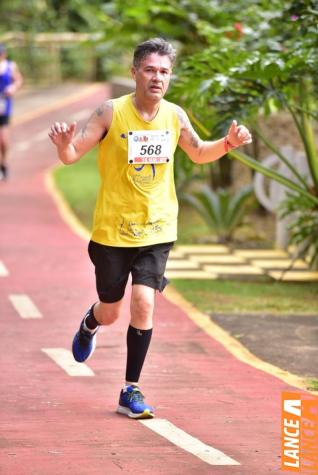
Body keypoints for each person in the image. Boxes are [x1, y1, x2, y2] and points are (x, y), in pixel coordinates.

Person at [49, 38, 252, 419]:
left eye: (164, 71)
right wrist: (63, 146)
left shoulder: (175, 116)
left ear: (169, 77)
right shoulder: (110, 113)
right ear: (134, 73)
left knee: (144, 302)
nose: (157, 78)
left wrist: (228, 143)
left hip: (157, 229)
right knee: (111, 311)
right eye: (150, 70)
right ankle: (90, 324)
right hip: (112, 231)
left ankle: (131, 389)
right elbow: (73, 153)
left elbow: (199, 151)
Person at [0, 43, 23, 180]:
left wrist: (13, 88)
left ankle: (4, 164)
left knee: (3, 140)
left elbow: (19, 80)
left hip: (4, 105)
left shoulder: (11, 66)